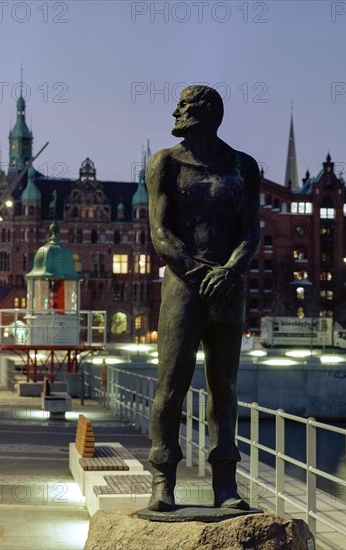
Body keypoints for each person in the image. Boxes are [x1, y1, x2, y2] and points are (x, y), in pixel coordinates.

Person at [146, 85, 260, 512]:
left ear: (208, 113)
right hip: (183, 287)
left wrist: (229, 271)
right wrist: (199, 273)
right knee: (170, 385)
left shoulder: (243, 167)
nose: (175, 110)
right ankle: (162, 482)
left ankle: (225, 486)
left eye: (185, 105)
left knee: (224, 388)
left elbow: (251, 233)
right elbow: (160, 233)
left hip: (228, 289)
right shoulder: (164, 164)